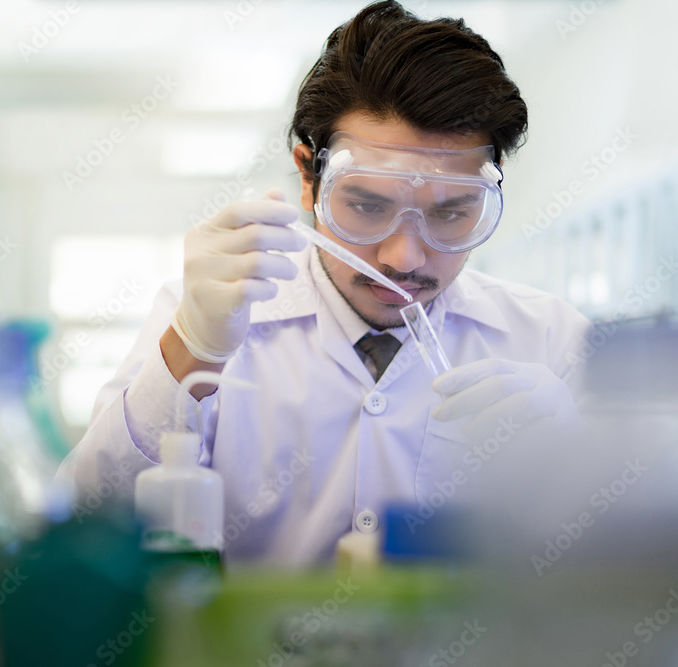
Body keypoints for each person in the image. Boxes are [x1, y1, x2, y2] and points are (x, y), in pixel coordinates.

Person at [55, 0, 590, 566]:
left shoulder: (549, 341)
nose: (403, 256)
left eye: (452, 211)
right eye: (365, 204)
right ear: (308, 178)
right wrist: (191, 349)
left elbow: (627, 587)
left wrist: (573, 465)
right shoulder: (208, 320)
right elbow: (85, 524)